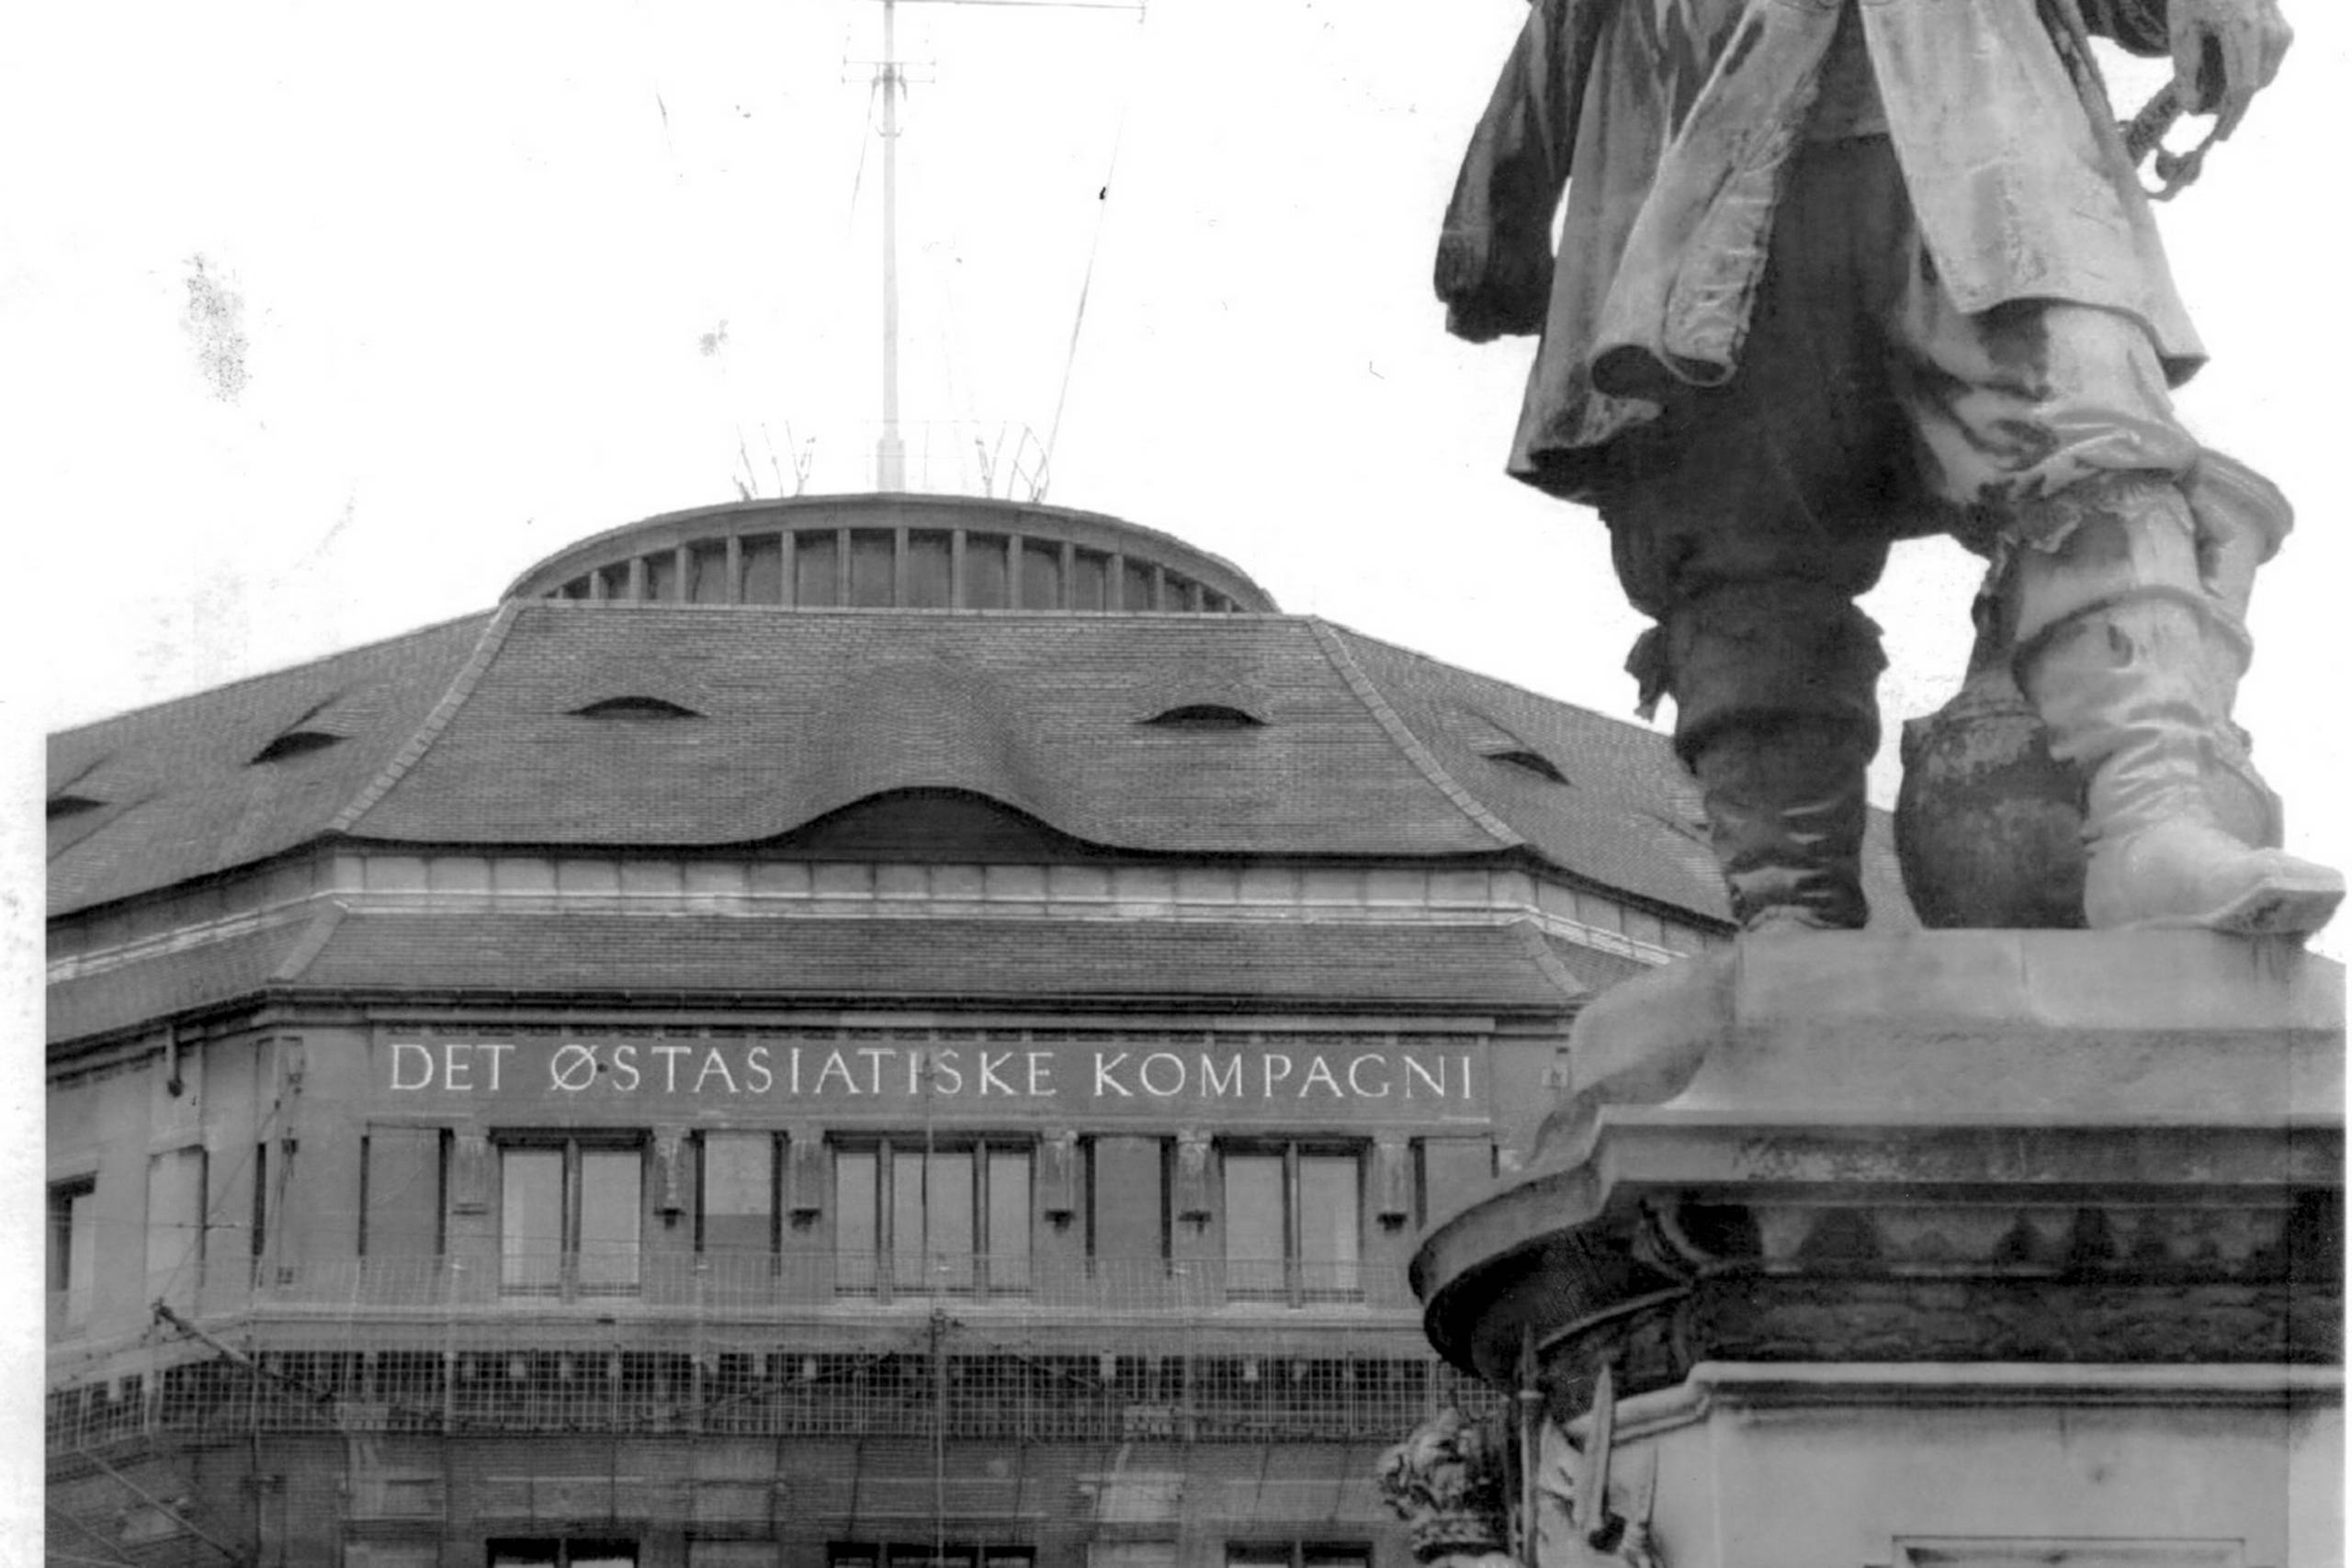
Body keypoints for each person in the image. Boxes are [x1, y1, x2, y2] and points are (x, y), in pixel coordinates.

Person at [1439, 0, 2341, 936]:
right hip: (1696, 137)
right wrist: (1498, 206)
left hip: (1969, 116)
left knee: (2090, 437)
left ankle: (2153, 826)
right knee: (1738, 539)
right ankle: (1789, 909)